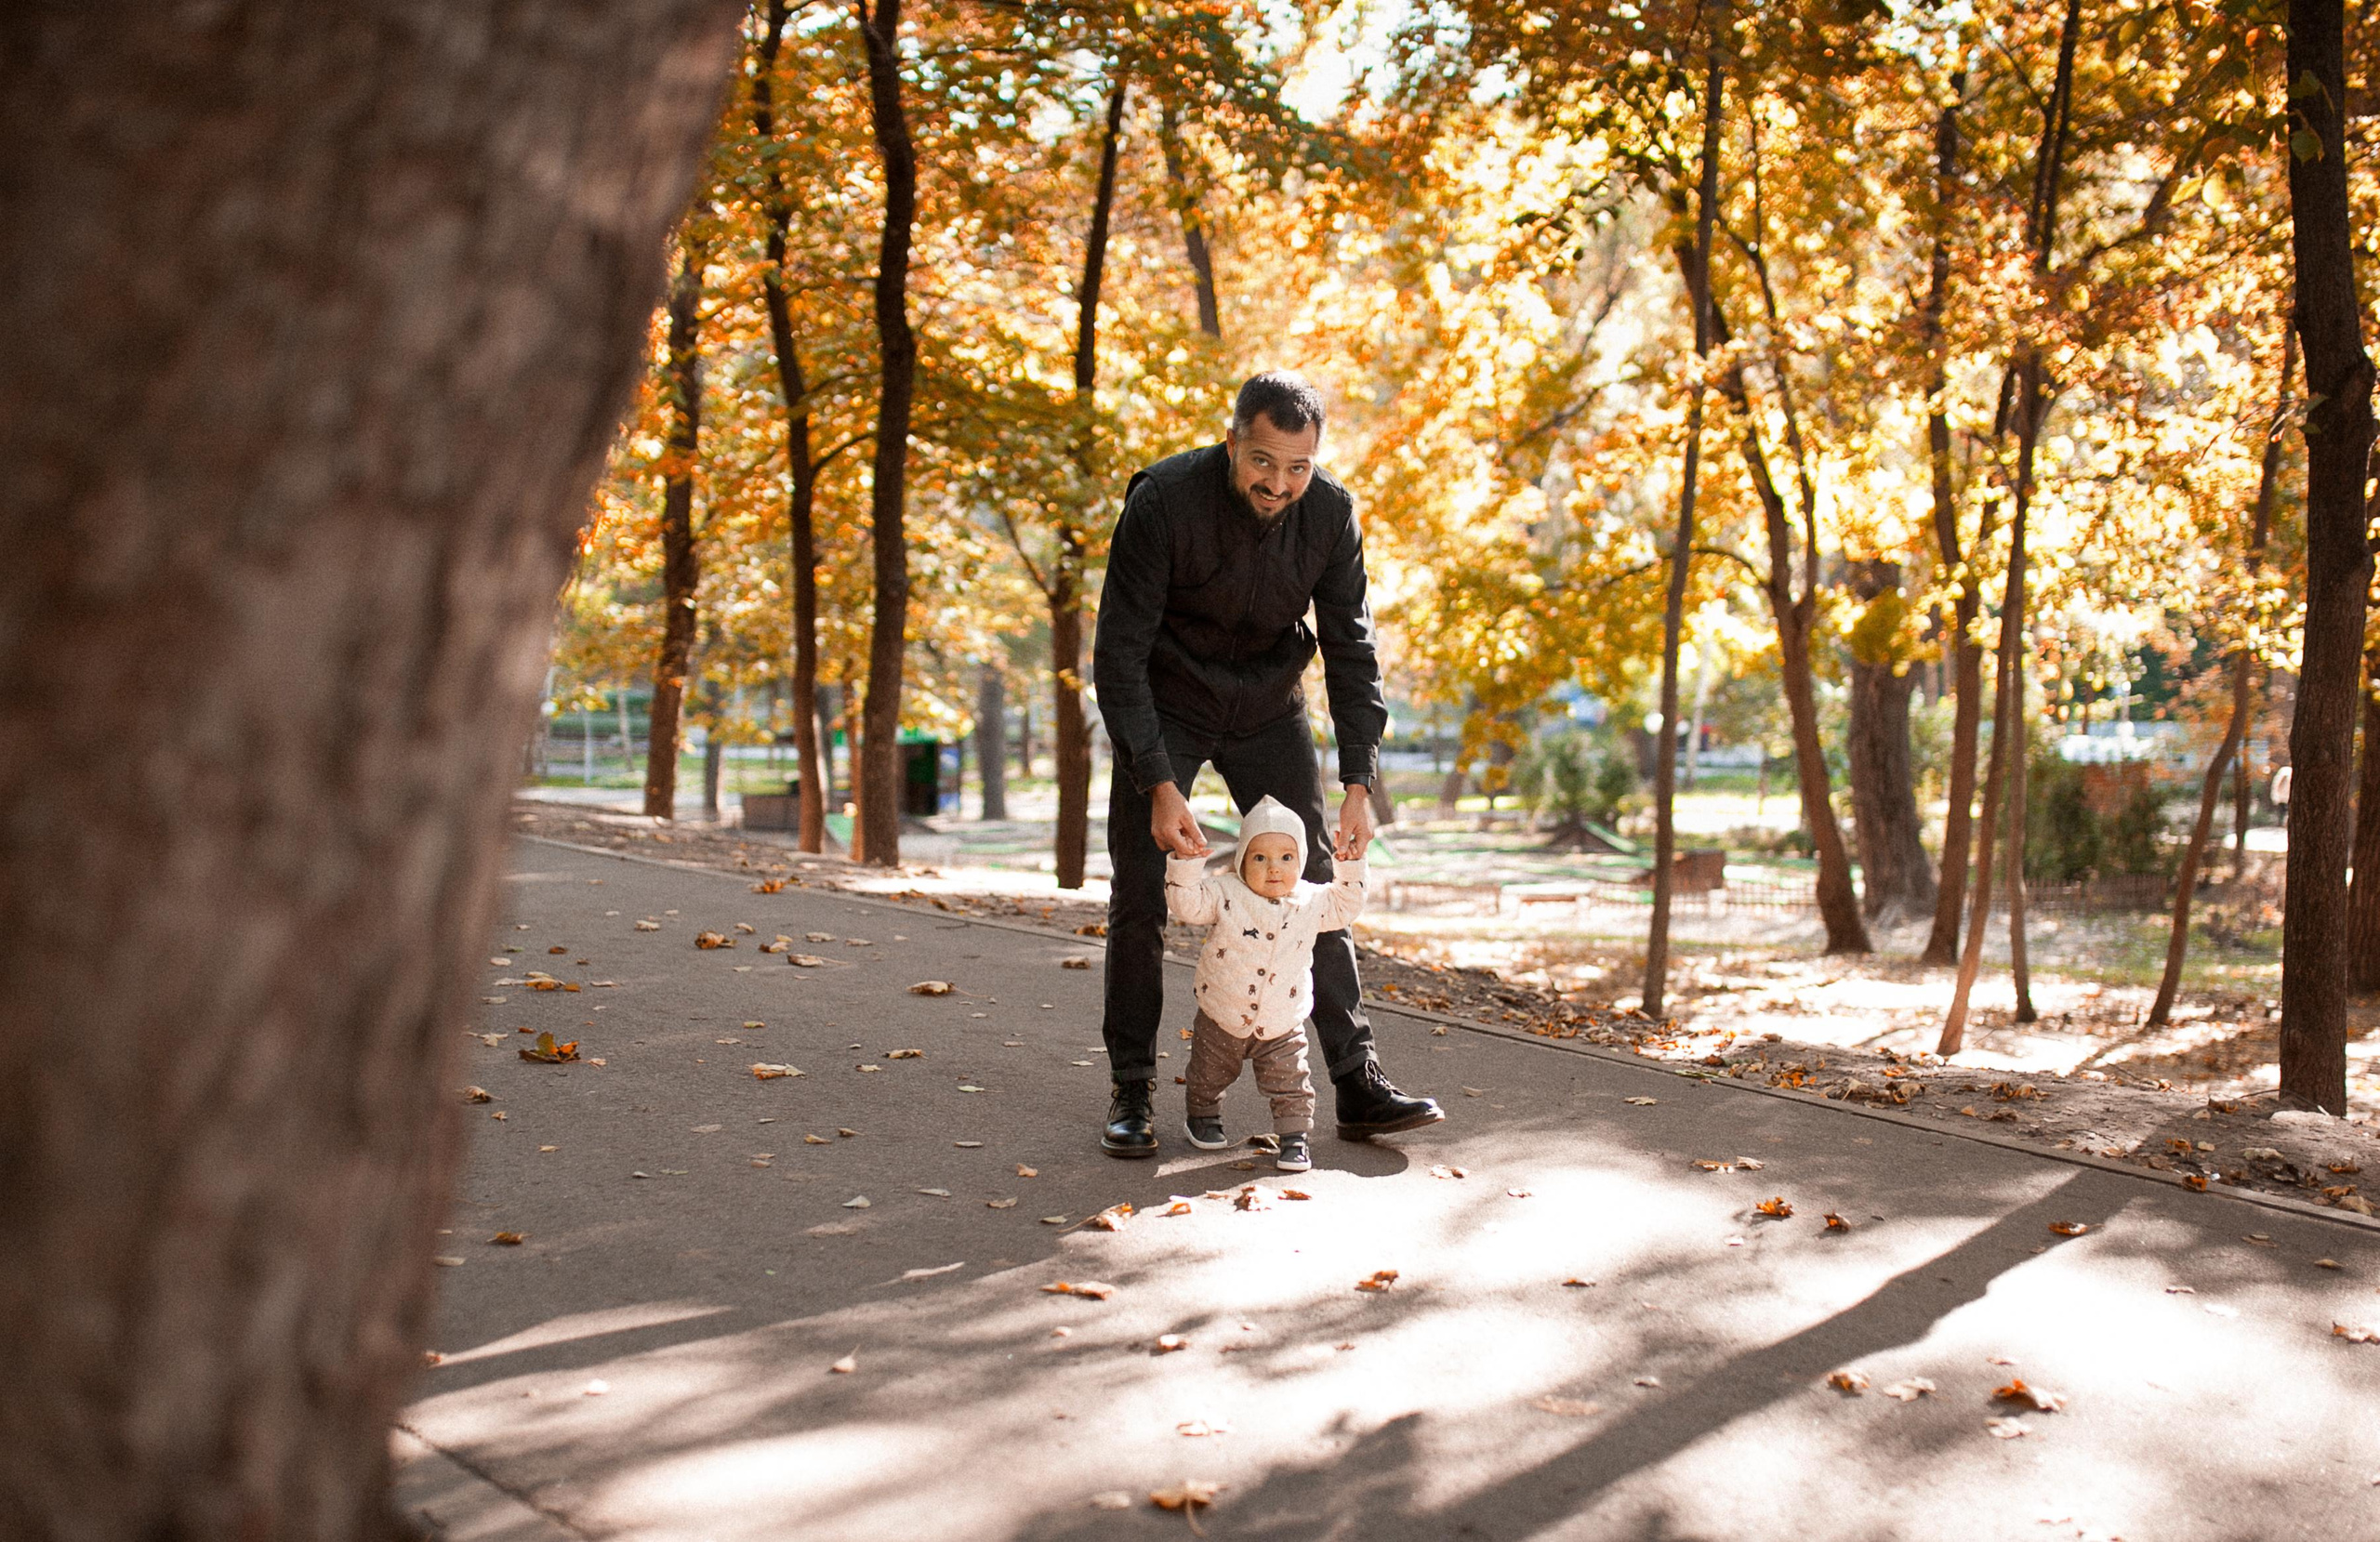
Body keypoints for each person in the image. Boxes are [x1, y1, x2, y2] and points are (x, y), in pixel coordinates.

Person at [1092, 370, 1444, 1157]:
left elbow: (1353, 648)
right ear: (1231, 444)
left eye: (1298, 466)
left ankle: (1355, 1081)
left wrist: (1360, 781)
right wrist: (1155, 777)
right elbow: (1117, 655)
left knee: (1312, 878)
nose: (1279, 482)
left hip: (1267, 706)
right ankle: (1133, 1089)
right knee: (1142, 892)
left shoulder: (1330, 514)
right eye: (1263, 461)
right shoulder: (1163, 501)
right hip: (1168, 706)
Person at [1166, 796, 1368, 1173]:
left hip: (1281, 1020)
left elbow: (1346, 906)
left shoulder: (1312, 899)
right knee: (1208, 1074)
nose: (1274, 868)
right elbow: (1186, 904)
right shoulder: (1225, 892)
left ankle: (1294, 1137)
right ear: (1242, 859)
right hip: (1222, 1011)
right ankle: (1203, 1115)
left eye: (1286, 858)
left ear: (1302, 860)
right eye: (1260, 858)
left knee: (1291, 1082)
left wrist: (1350, 865)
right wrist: (1188, 864)